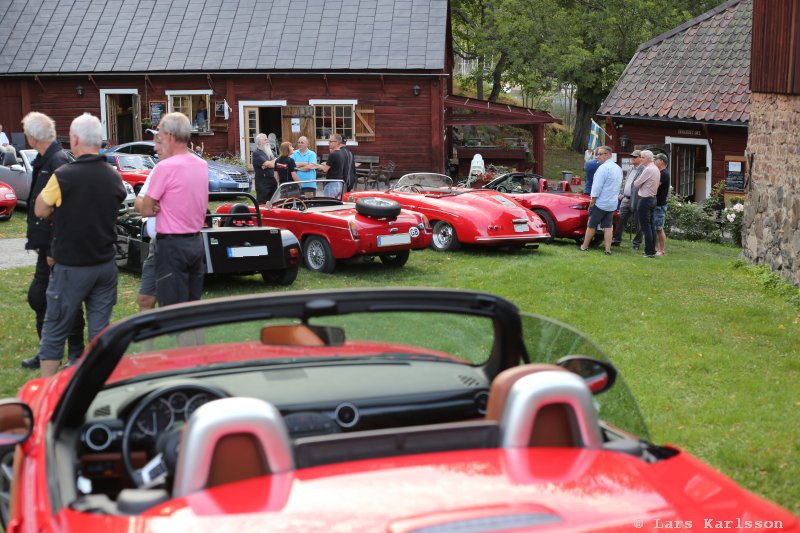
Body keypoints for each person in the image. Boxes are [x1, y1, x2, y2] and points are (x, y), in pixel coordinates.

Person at [32, 113, 126, 377]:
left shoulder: (64, 175)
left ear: (74, 139)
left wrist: (61, 213)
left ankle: (47, 400)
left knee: (54, 331)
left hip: (72, 266)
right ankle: (99, 389)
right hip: (105, 266)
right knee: (100, 334)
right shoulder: (113, 176)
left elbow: (40, 209)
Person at [20, 112, 85, 370]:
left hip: (56, 247)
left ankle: (76, 352)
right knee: (41, 297)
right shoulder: (45, 159)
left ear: (33, 137)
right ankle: (47, 350)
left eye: (27, 133)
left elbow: (64, 210)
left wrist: (54, 247)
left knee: (64, 298)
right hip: (46, 246)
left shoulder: (57, 161)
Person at [139, 112, 208, 307]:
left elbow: (145, 208)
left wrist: (158, 206)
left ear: (169, 137)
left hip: (171, 246)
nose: (158, 140)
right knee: (192, 307)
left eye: (159, 135)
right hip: (195, 242)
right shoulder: (202, 165)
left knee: (173, 311)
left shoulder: (165, 167)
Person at [577, 146, 622, 255]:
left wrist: (593, 200)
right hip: (612, 203)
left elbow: (597, 186)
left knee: (591, 225)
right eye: (597, 154)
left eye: (600, 154)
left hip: (601, 202)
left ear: (608, 154)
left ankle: (584, 246)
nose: (598, 157)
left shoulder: (602, 168)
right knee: (608, 226)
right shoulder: (618, 168)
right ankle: (607, 249)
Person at [612, 150, 644, 248]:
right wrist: (622, 192)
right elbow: (627, 182)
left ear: (640, 158)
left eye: (634, 157)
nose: (632, 159)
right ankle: (616, 240)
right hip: (626, 198)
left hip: (637, 199)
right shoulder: (630, 169)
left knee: (638, 222)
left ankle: (636, 244)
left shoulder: (643, 169)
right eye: (631, 157)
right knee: (620, 219)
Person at [635, 150, 660, 258]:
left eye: (642, 157)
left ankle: (649, 251)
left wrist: (638, 180)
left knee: (646, 227)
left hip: (645, 199)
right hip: (652, 198)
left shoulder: (648, 169)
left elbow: (636, 183)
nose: (640, 159)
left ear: (648, 158)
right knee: (651, 226)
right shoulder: (655, 168)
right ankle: (651, 250)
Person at [654, 153, 671, 256]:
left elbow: (655, 186)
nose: (655, 161)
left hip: (660, 205)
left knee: (659, 229)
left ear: (661, 161)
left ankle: (661, 250)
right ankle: (656, 249)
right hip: (657, 204)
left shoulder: (663, 174)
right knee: (655, 228)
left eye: (656, 159)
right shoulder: (660, 173)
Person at [252, 133, 277, 203]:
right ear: (259, 142)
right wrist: (269, 163)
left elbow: (278, 161)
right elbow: (267, 164)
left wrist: (269, 163)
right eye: (265, 140)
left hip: (273, 182)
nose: (267, 141)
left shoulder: (271, 152)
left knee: (274, 203)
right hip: (262, 184)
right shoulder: (257, 153)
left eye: (267, 139)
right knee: (262, 203)